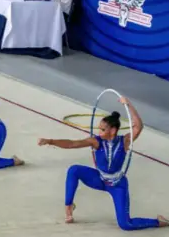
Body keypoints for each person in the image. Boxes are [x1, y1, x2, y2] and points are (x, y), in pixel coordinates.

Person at [38, 97, 169, 229]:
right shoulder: (96, 141)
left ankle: (157, 221)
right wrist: (51, 141)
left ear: (112, 130)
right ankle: (68, 206)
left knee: (125, 224)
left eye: (102, 130)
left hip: (117, 185)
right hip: (99, 179)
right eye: (99, 129)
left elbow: (138, 126)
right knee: (74, 170)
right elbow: (72, 144)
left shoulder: (124, 141)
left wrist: (128, 104)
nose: (99, 132)